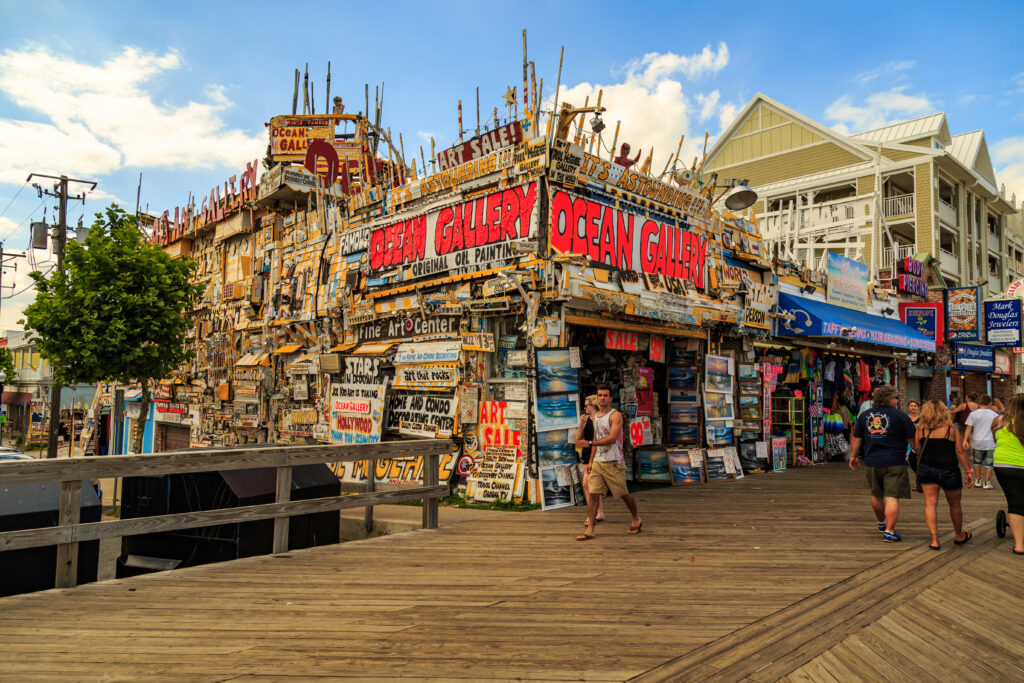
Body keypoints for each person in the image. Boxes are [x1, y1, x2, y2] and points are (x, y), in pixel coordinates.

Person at [574, 384, 642, 540]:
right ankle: (590, 528)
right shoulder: (596, 417)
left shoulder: (615, 415)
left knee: (623, 493)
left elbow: (611, 439)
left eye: (605, 395)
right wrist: (591, 461)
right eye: (600, 395)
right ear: (596, 398)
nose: (602, 398)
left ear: (611, 398)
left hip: (614, 462)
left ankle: (636, 517)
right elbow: (596, 439)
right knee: (592, 494)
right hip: (598, 461)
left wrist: (590, 444)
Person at [850, 385, 916, 543]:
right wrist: (917, 450)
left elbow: (857, 437)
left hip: (872, 460)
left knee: (876, 494)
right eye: (896, 398)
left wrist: (853, 456)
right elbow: (912, 439)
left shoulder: (865, 416)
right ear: (891, 399)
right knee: (892, 496)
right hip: (895, 461)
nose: (897, 401)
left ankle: (881, 523)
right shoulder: (901, 416)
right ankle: (889, 531)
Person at [916, 401, 974, 550]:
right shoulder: (951, 429)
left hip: (926, 469)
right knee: (954, 504)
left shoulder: (920, 429)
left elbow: (917, 450)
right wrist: (968, 471)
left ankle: (935, 540)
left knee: (930, 503)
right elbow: (960, 452)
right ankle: (959, 535)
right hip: (948, 470)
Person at [993, 394, 1024, 555]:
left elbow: (996, 440)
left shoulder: (999, 422)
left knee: (1015, 502)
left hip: (1003, 465)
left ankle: (1019, 545)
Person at [574, 395, 604, 526]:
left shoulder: (599, 419)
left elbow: (602, 440)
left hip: (597, 454)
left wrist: (589, 443)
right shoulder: (586, 419)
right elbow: (577, 438)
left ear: (593, 406)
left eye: (587, 405)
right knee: (592, 485)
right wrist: (581, 424)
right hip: (587, 455)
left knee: (587, 484)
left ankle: (591, 515)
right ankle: (599, 513)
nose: (585, 408)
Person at [963, 395, 999, 490]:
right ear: (990, 403)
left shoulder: (973, 414)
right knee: (989, 463)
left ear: (979, 403)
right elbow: (997, 429)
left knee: (977, 462)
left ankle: (978, 480)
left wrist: (965, 440)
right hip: (990, 442)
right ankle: (987, 482)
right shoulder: (995, 415)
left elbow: (968, 428)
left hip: (977, 442)